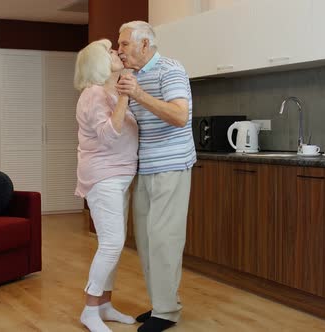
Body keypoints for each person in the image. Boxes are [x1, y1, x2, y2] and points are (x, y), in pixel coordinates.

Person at [116, 21, 196, 332]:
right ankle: (161, 304)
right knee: (148, 242)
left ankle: (167, 312)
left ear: (145, 45)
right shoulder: (132, 75)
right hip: (145, 167)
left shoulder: (170, 69)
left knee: (165, 240)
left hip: (172, 165)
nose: (120, 49)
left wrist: (138, 94)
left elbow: (179, 115)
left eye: (124, 44)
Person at [74, 39, 139, 332]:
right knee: (112, 244)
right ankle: (89, 310)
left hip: (120, 177)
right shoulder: (94, 94)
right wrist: (126, 94)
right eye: (110, 52)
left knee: (114, 243)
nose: (117, 52)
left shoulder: (108, 93)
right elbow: (109, 135)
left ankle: (104, 305)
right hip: (103, 178)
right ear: (99, 63)